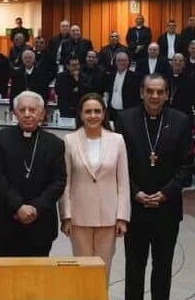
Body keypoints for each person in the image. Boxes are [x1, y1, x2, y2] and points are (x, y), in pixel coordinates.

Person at [115, 75, 193, 300]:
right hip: (135, 207)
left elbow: (186, 166)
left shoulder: (180, 120)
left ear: (167, 94)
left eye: (160, 91)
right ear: (141, 92)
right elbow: (119, 165)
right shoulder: (125, 118)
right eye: (150, 91)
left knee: (163, 268)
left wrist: (166, 193)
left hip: (167, 209)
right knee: (134, 268)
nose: (155, 96)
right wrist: (135, 192)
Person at [60, 93, 130, 280]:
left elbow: (123, 183)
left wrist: (122, 217)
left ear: (104, 114)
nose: (93, 116)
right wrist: (66, 216)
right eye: (88, 111)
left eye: (97, 111)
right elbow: (65, 182)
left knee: (101, 272)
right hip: (79, 217)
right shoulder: (70, 140)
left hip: (108, 218)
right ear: (81, 115)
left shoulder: (117, 140)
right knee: (81, 272)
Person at [0, 90, 66, 256]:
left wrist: (35, 208)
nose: (27, 114)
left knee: (37, 278)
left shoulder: (55, 144)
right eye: (22, 110)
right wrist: (18, 206)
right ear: (15, 113)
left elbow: (59, 181)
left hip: (41, 221)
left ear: (42, 114)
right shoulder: (1, 138)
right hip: (7, 218)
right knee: (6, 276)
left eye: (32, 110)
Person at [104, 51, 141, 122]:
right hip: (112, 112)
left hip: (127, 113)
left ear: (128, 62)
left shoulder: (135, 77)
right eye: (119, 60)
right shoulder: (110, 76)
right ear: (115, 62)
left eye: (124, 60)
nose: (121, 62)